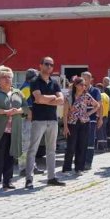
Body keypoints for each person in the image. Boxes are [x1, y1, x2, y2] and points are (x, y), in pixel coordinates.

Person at [26, 57, 65, 188]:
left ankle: (51, 177)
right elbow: (38, 98)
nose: (49, 67)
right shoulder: (35, 81)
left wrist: (46, 99)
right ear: (40, 65)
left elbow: (61, 100)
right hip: (38, 119)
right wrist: (53, 97)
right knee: (33, 149)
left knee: (51, 150)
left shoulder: (54, 83)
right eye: (47, 64)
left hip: (52, 120)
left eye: (51, 65)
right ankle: (29, 179)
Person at [62, 76, 99, 174]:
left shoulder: (86, 95)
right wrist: (65, 127)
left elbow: (97, 105)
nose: (83, 87)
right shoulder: (69, 96)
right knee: (71, 146)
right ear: (76, 85)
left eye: (85, 85)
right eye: (81, 85)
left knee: (82, 146)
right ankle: (67, 168)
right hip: (72, 123)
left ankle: (79, 168)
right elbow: (65, 113)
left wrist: (89, 113)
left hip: (84, 123)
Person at [80, 72, 102, 170]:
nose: (84, 81)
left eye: (86, 79)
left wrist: (100, 118)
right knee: (81, 141)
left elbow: (99, 105)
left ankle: (88, 162)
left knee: (90, 141)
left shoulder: (95, 91)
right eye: (82, 78)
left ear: (90, 79)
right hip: (79, 119)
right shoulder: (79, 90)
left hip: (91, 119)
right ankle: (81, 161)